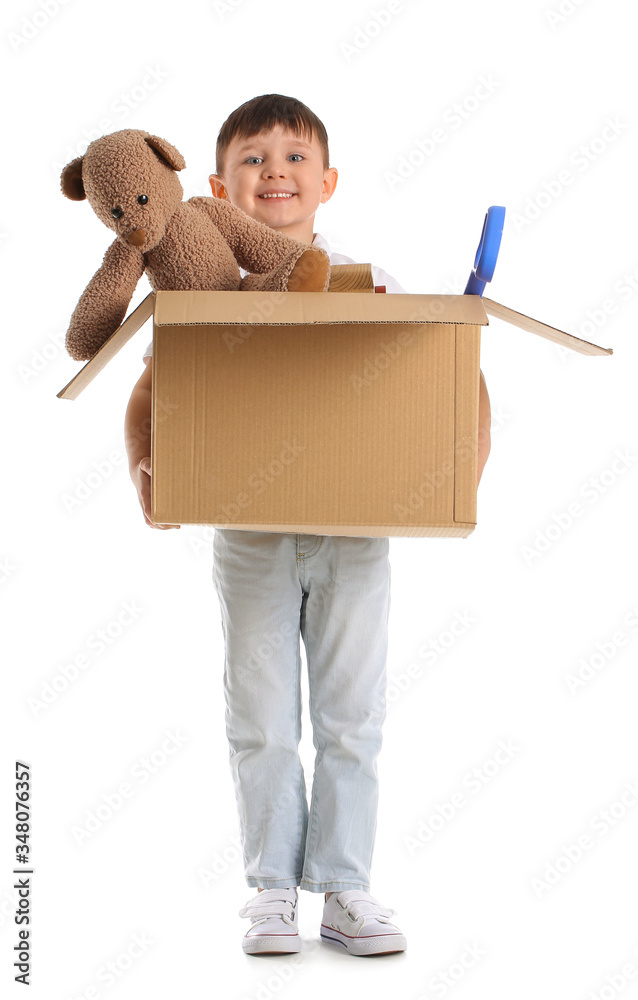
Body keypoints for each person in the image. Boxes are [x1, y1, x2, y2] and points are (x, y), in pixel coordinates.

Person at [124, 93, 492, 957]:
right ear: (217, 187)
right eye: (253, 160)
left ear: (326, 181)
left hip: (356, 530)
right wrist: (144, 468)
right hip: (249, 530)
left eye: (294, 159)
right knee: (259, 714)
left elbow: (451, 362)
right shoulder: (204, 293)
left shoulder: (372, 282)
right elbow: (150, 385)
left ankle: (346, 887)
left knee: (351, 714)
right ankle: (271, 893)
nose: (274, 173)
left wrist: (462, 469)